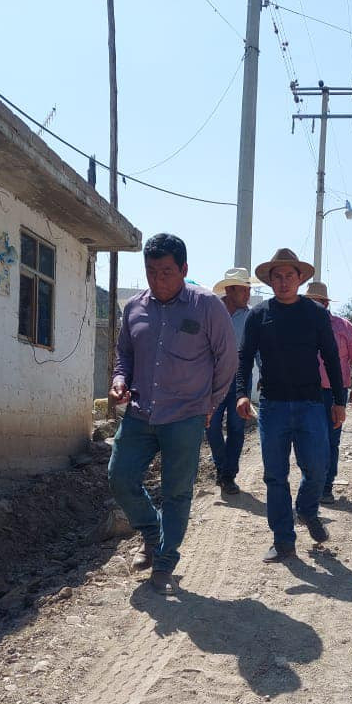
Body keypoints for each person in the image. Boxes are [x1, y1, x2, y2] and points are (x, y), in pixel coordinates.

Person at [108, 234, 238, 594]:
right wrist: (120, 379)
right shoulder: (133, 308)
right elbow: (125, 355)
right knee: (119, 476)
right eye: (151, 272)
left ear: (183, 269)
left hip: (185, 415)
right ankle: (151, 533)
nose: (158, 279)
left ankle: (164, 562)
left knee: (177, 492)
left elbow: (227, 359)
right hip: (139, 412)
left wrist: (211, 403)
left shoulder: (207, 306)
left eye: (166, 271)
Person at [236, 248, 345, 563]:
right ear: (270, 281)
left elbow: (331, 358)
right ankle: (283, 540)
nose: (283, 282)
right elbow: (244, 358)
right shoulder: (259, 315)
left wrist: (338, 400)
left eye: (289, 276)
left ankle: (308, 510)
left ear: (300, 278)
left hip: (311, 404)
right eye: (277, 277)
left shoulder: (315, 314)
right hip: (273, 406)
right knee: (275, 475)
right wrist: (242, 393)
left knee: (318, 469)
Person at [303, 281, 352, 503]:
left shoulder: (344, 327)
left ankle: (326, 486)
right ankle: (312, 484)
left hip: (334, 393)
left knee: (331, 439)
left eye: (316, 302)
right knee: (308, 439)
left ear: (326, 303)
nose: (311, 306)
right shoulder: (297, 326)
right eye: (308, 302)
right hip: (305, 391)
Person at [206, 267, 253, 496]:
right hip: (212, 377)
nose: (248, 294)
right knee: (211, 424)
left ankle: (228, 475)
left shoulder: (250, 316)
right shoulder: (211, 311)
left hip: (240, 377)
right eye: (245, 290)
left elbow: (259, 349)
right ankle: (222, 465)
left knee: (236, 426)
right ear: (231, 289)